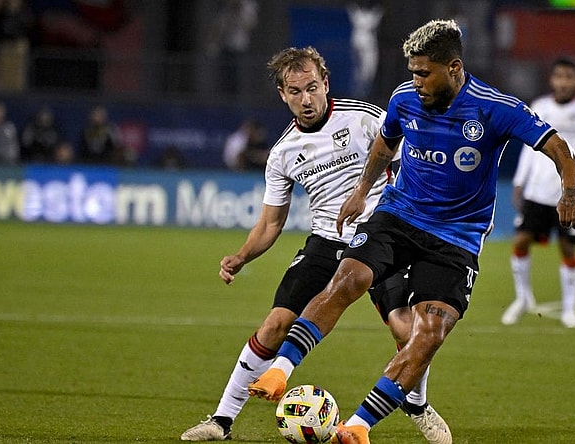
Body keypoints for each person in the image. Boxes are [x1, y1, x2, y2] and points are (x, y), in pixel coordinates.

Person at [247, 20, 575, 444]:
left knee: (427, 336)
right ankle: (281, 369)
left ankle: (357, 428)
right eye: (411, 71)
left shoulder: (495, 108)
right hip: (399, 215)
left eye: (424, 72)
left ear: (454, 67)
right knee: (348, 277)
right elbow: (384, 145)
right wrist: (360, 192)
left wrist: (570, 191)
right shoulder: (405, 98)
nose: (415, 81)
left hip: (457, 237)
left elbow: (558, 147)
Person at [181, 46, 450, 444]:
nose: (305, 100)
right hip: (327, 241)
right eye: (294, 91)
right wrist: (241, 255)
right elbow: (272, 221)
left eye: (311, 88)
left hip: (381, 236)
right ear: (282, 94)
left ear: (326, 83)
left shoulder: (364, 119)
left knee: (408, 329)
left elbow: (411, 159)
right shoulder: (283, 153)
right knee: (274, 325)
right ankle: (221, 420)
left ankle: (415, 402)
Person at [501, 56, 575, 329]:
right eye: (559, 76)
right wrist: (519, 181)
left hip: (571, 195)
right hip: (537, 191)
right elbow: (529, 147)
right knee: (521, 241)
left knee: (567, 247)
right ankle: (523, 298)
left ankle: (569, 309)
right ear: (552, 80)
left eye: (569, 77)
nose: (564, 82)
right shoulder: (539, 106)